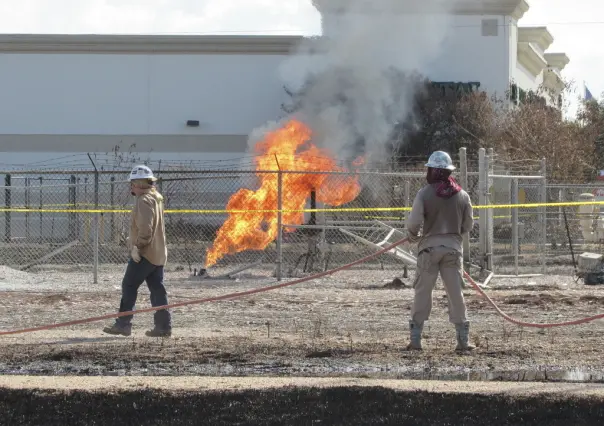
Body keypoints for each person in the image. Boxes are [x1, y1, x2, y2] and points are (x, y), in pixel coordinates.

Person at [406, 151, 474, 352]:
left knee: (422, 292)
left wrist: (413, 234)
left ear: (432, 171)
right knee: (455, 293)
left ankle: (416, 341)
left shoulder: (424, 194)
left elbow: (414, 222)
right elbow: (468, 224)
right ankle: (463, 342)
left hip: (428, 250)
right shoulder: (462, 195)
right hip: (453, 250)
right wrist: (453, 234)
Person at [103, 164, 172, 337]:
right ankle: (163, 327)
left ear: (140, 184)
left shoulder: (144, 201)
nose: (131, 187)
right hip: (158, 253)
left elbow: (146, 230)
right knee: (157, 289)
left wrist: (137, 248)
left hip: (145, 254)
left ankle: (123, 324)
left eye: (133, 183)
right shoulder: (156, 197)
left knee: (129, 285)